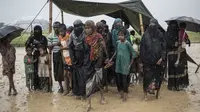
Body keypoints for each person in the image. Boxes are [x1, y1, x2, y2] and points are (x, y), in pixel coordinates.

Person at [84, 20, 109, 111]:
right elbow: (84, 51)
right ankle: (88, 104)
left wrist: (106, 58)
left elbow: (104, 48)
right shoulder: (85, 38)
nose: (87, 30)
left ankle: (102, 97)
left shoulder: (98, 37)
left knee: (98, 82)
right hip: (88, 63)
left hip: (98, 61)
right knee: (88, 83)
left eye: (89, 28)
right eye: (86, 28)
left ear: (93, 28)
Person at [140, 18, 166, 101]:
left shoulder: (160, 35)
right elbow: (142, 49)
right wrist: (143, 61)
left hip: (158, 62)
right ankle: (145, 95)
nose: (152, 28)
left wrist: (162, 58)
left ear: (157, 26)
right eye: (151, 26)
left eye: (154, 26)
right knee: (147, 78)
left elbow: (164, 48)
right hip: (147, 62)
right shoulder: (145, 35)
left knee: (157, 78)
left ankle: (156, 92)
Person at [110, 28, 137, 102]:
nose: (120, 37)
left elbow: (134, 54)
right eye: (119, 35)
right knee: (118, 79)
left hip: (125, 64)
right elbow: (116, 52)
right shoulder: (118, 42)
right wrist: (111, 59)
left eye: (121, 35)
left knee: (124, 79)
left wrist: (130, 64)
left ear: (125, 36)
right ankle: (121, 93)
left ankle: (125, 94)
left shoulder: (127, 43)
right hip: (118, 63)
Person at [166, 21, 190, 91]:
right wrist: (175, 44)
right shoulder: (179, 33)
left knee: (174, 70)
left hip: (173, 56)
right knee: (179, 70)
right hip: (178, 55)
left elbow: (187, 41)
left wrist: (182, 42)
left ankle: (174, 85)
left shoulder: (178, 33)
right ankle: (178, 85)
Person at [25, 25, 48, 90]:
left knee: (43, 71)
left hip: (43, 56)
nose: (37, 31)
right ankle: (36, 86)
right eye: (35, 30)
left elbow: (45, 46)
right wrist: (30, 41)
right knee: (35, 71)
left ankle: (44, 85)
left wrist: (38, 44)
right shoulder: (32, 38)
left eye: (38, 30)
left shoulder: (43, 38)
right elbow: (26, 45)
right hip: (35, 56)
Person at [68, 19, 86, 99]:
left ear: (82, 26)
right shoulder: (72, 35)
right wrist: (72, 58)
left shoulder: (85, 34)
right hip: (75, 55)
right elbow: (70, 46)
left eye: (78, 26)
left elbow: (88, 47)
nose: (77, 28)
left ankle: (83, 93)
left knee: (83, 75)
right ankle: (76, 92)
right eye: (75, 26)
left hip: (84, 55)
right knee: (75, 75)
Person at [48, 21, 64, 93]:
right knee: (57, 71)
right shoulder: (51, 36)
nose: (55, 29)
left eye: (56, 27)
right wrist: (55, 44)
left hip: (64, 54)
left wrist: (55, 44)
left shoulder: (63, 34)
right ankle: (61, 86)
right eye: (54, 27)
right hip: (56, 54)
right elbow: (49, 47)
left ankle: (67, 85)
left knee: (64, 71)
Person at [58, 24, 72, 95]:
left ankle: (72, 88)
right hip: (65, 57)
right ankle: (67, 90)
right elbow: (61, 49)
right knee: (65, 74)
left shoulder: (68, 37)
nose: (61, 33)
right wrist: (63, 59)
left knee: (70, 74)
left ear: (65, 30)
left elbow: (70, 47)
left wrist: (63, 48)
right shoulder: (60, 37)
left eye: (62, 31)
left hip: (70, 58)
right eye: (60, 32)